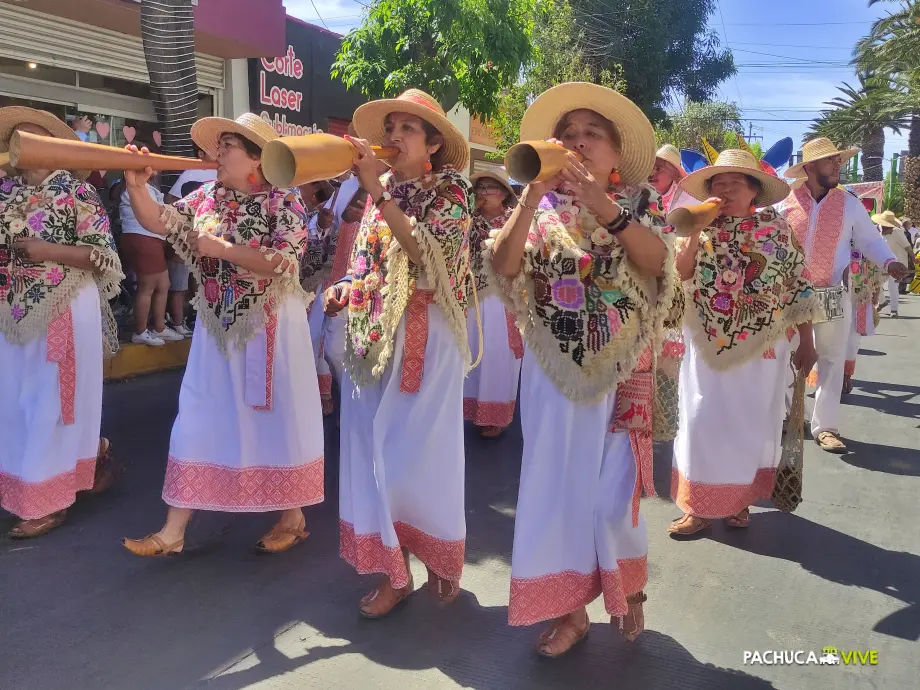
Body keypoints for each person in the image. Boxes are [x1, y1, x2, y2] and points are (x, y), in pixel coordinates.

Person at [485, 82, 679, 657]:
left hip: (622, 373)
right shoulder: (538, 209)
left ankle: (629, 589)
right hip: (551, 372)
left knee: (610, 501)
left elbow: (661, 267)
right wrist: (529, 196)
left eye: (592, 133)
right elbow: (503, 265)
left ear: (616, 154)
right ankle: (569, 612)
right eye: (566, 134)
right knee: (552, 489)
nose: (576, 142)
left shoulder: (640, 205)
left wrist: (607, 210)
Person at [121, 113, 323, 556]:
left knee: (275, 416)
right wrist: (137, 185)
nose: (216, 154)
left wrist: (222, 249)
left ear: (256, 159)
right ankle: (174, 530)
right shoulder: (206, 197)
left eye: (227, 146)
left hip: (269, 323)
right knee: (198, 411)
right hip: (215, 324)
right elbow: (160, 221)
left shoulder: (284, 201)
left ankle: (292, 515)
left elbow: (284, 261)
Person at [322, 89, 473, 618]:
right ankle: (393, 568)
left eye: (408, 128)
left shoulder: (454, 189)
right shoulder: (380, 185)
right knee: (370, 450)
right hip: (372, 334)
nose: (393, 137)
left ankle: (437, 556)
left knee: (423, 453)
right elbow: (367, 260)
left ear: (433, 142)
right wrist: (344, 285)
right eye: (391, 127)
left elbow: (426, 256)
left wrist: (377, 195)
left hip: (428, 335)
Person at [668, 150, 818, 535]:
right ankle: (697, 505)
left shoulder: (777, 229)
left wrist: (807, 340)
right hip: (705, 340)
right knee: (700, 419)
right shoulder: (696, 227)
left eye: (737, 182)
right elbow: (680, 274)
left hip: (763, 345)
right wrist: (695, 227)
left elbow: (799, 286)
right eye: (718, 182)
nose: (727, 189)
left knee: (752, 421)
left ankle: (740, 502)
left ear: (754, 191)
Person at [0, 107, 124, 538]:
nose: (22, 146)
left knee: (50, 401)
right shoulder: (4, 192)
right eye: (16, 139)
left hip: (64, 305)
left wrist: (49, 250)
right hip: (11, 310)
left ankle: (46, 499)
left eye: (32, 138)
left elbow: (102, 255)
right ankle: (84, 457)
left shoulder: (77, 194)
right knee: (15, 401)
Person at [779, 138, 910, 453]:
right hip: (787, 297)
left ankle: (825, 427)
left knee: (833, 359)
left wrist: (890, 262)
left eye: (839, 161)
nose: (838, 166)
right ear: (809, 167)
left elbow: (869, 240)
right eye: (830, 161)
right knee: (782, 357)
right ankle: (784, 417)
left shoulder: (849, 203)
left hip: (832, 294)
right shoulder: (784, 202)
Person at [302, 185, 368, 414]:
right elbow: (325, 227)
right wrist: (323, 223)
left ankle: (351, 405)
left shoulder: (392, 185)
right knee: (325, 344)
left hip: (371, 282)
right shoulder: (345, 188)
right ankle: (338, 398)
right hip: (335, 277)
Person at [464, 169, 521, 437]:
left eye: (490, 188)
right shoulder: (466, 220)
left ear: (503, 194)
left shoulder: (513, 220)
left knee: (499, 354)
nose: (484, 193)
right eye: (481, 188)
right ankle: (473, 409)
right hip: (471, 292)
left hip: (503, 295)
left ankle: (497, 415)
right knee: (473, 350)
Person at [119, 156, 185, 346]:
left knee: (163, 285)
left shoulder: (150, 187)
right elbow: (157, 215)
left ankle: (159, 327)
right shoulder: (136, 188)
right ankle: (140, 331)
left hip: (152, 239)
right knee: (147, 287)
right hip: (142, 237)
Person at [163, 146, 219, 337]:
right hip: (190, 243)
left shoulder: (224, 174)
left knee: (197, 283)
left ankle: (194, 318)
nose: (220, 152)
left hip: (214, 253)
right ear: (201, 154)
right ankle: (183, 321)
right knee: (182, 284)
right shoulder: (193, 172)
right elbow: (170, 204)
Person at [842, 247, 883, 395]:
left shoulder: (868, 244)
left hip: (859, 300)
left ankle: (846, 376)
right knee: (829, 340)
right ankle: (830, 378)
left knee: (852, 341)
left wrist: (875, 295)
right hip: (834, 297)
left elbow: (876, 273)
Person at [874, 210, 912, 317]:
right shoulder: (875, 230)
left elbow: (907, 246)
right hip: (881, 263)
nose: (889, 229)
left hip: (897, 264)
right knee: (876, 284)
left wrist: (913, 258)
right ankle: (882, 302)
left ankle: (894, 310)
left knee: (893, 287)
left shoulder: (897, 232)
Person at [648, 143, 686, 212]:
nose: (652, 173)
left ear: (674, 174)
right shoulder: (641, 191)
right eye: (651, 168)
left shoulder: (684, 201)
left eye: (658, 168)